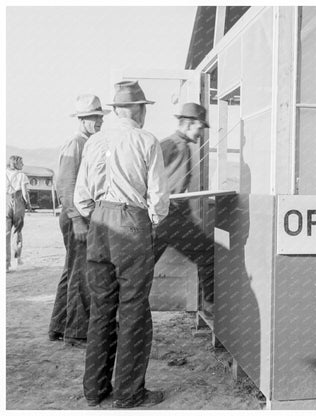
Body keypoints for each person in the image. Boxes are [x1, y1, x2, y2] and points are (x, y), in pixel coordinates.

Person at [74, 80, 169, 408]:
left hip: (99, 224)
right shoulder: (146, 140)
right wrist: (151, 221)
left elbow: (81, 198)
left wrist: (99, 214)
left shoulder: (95, 141)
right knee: (133, 310)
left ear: (115, 110)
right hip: (131, 224)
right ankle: (129, 393)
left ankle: (95, 389)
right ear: (140, 109)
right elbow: (159, 198)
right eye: (144, 108)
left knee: (101, 308)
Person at [48, 94, 109, 348]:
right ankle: (77, 333)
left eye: (100, 116)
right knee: (82, 272)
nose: (99, 121)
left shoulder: (87, 142)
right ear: (82, 120)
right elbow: (65, 184)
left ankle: (59, 326)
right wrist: (77, 219)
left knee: (72, 270)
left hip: (78, 215)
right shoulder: (76, 143)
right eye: (94, 117)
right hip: (77, 216)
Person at [154, 103, 214, 316]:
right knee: (209, 253)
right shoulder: (171, 145)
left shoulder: (183, 146)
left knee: (140, 270)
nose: (201, 132)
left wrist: (190, 217)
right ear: (188, 124)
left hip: (167, 217)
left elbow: (179, 188)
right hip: (167, 216)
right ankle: (210, 305)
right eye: (200, 127)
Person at [6, 155, 32, 272]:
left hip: (5, 202)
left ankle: (6, 264)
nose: (23, 164)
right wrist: (28, 204)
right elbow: (25, 194)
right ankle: (17, 258)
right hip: (18, 203)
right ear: (16, 164)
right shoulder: (22, 176)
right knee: (17, 232)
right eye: (21, 162)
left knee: (5, 234)